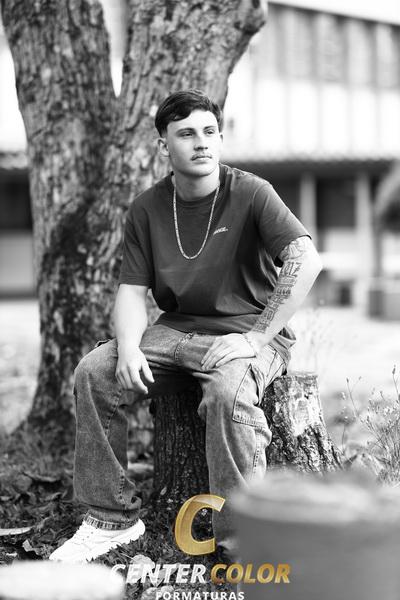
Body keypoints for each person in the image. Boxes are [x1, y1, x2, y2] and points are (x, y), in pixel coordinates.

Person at [49, 89, 322, 564]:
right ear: (164, 145)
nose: (202, 143)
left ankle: (244, 542)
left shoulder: (252, 192)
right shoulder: (147, 208)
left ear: (220, 138)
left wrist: (257, 337)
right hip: (173, 332)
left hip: (247, 332)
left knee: (229, 394)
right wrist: (129, 347)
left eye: (210, 132)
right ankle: (111, 519)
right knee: (94, 372)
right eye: (187, 134)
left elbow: (305, 258)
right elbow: (132, 291)